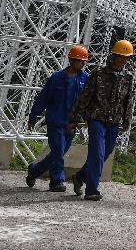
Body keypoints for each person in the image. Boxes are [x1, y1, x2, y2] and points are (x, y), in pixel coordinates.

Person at [68, 39, 135, 201]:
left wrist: (126, 121)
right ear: (114, 55)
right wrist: (75, 117)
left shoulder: (127, 77)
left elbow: (128, 100)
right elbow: (84, 97)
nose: (123, 60)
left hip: (114, 122)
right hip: (96, 119)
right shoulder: (98, 74)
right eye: (120, 56)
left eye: (126, 57)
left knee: (106, 152)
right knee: (97, 153)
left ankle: (80, 177)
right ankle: (92, 190)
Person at [25, 45, 90, 192]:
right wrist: (33, 117)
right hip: (56, 122)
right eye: (80, 61)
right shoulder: (56, 78)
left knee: (57, 154)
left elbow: (87, 102)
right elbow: (43, 98)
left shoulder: (85, 79)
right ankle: (57, 181)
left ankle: (34, 170)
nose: (83, 64)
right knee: (58, 151)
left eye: (84, 61)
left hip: (71, 124)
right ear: (72, 60)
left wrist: (86, 119)